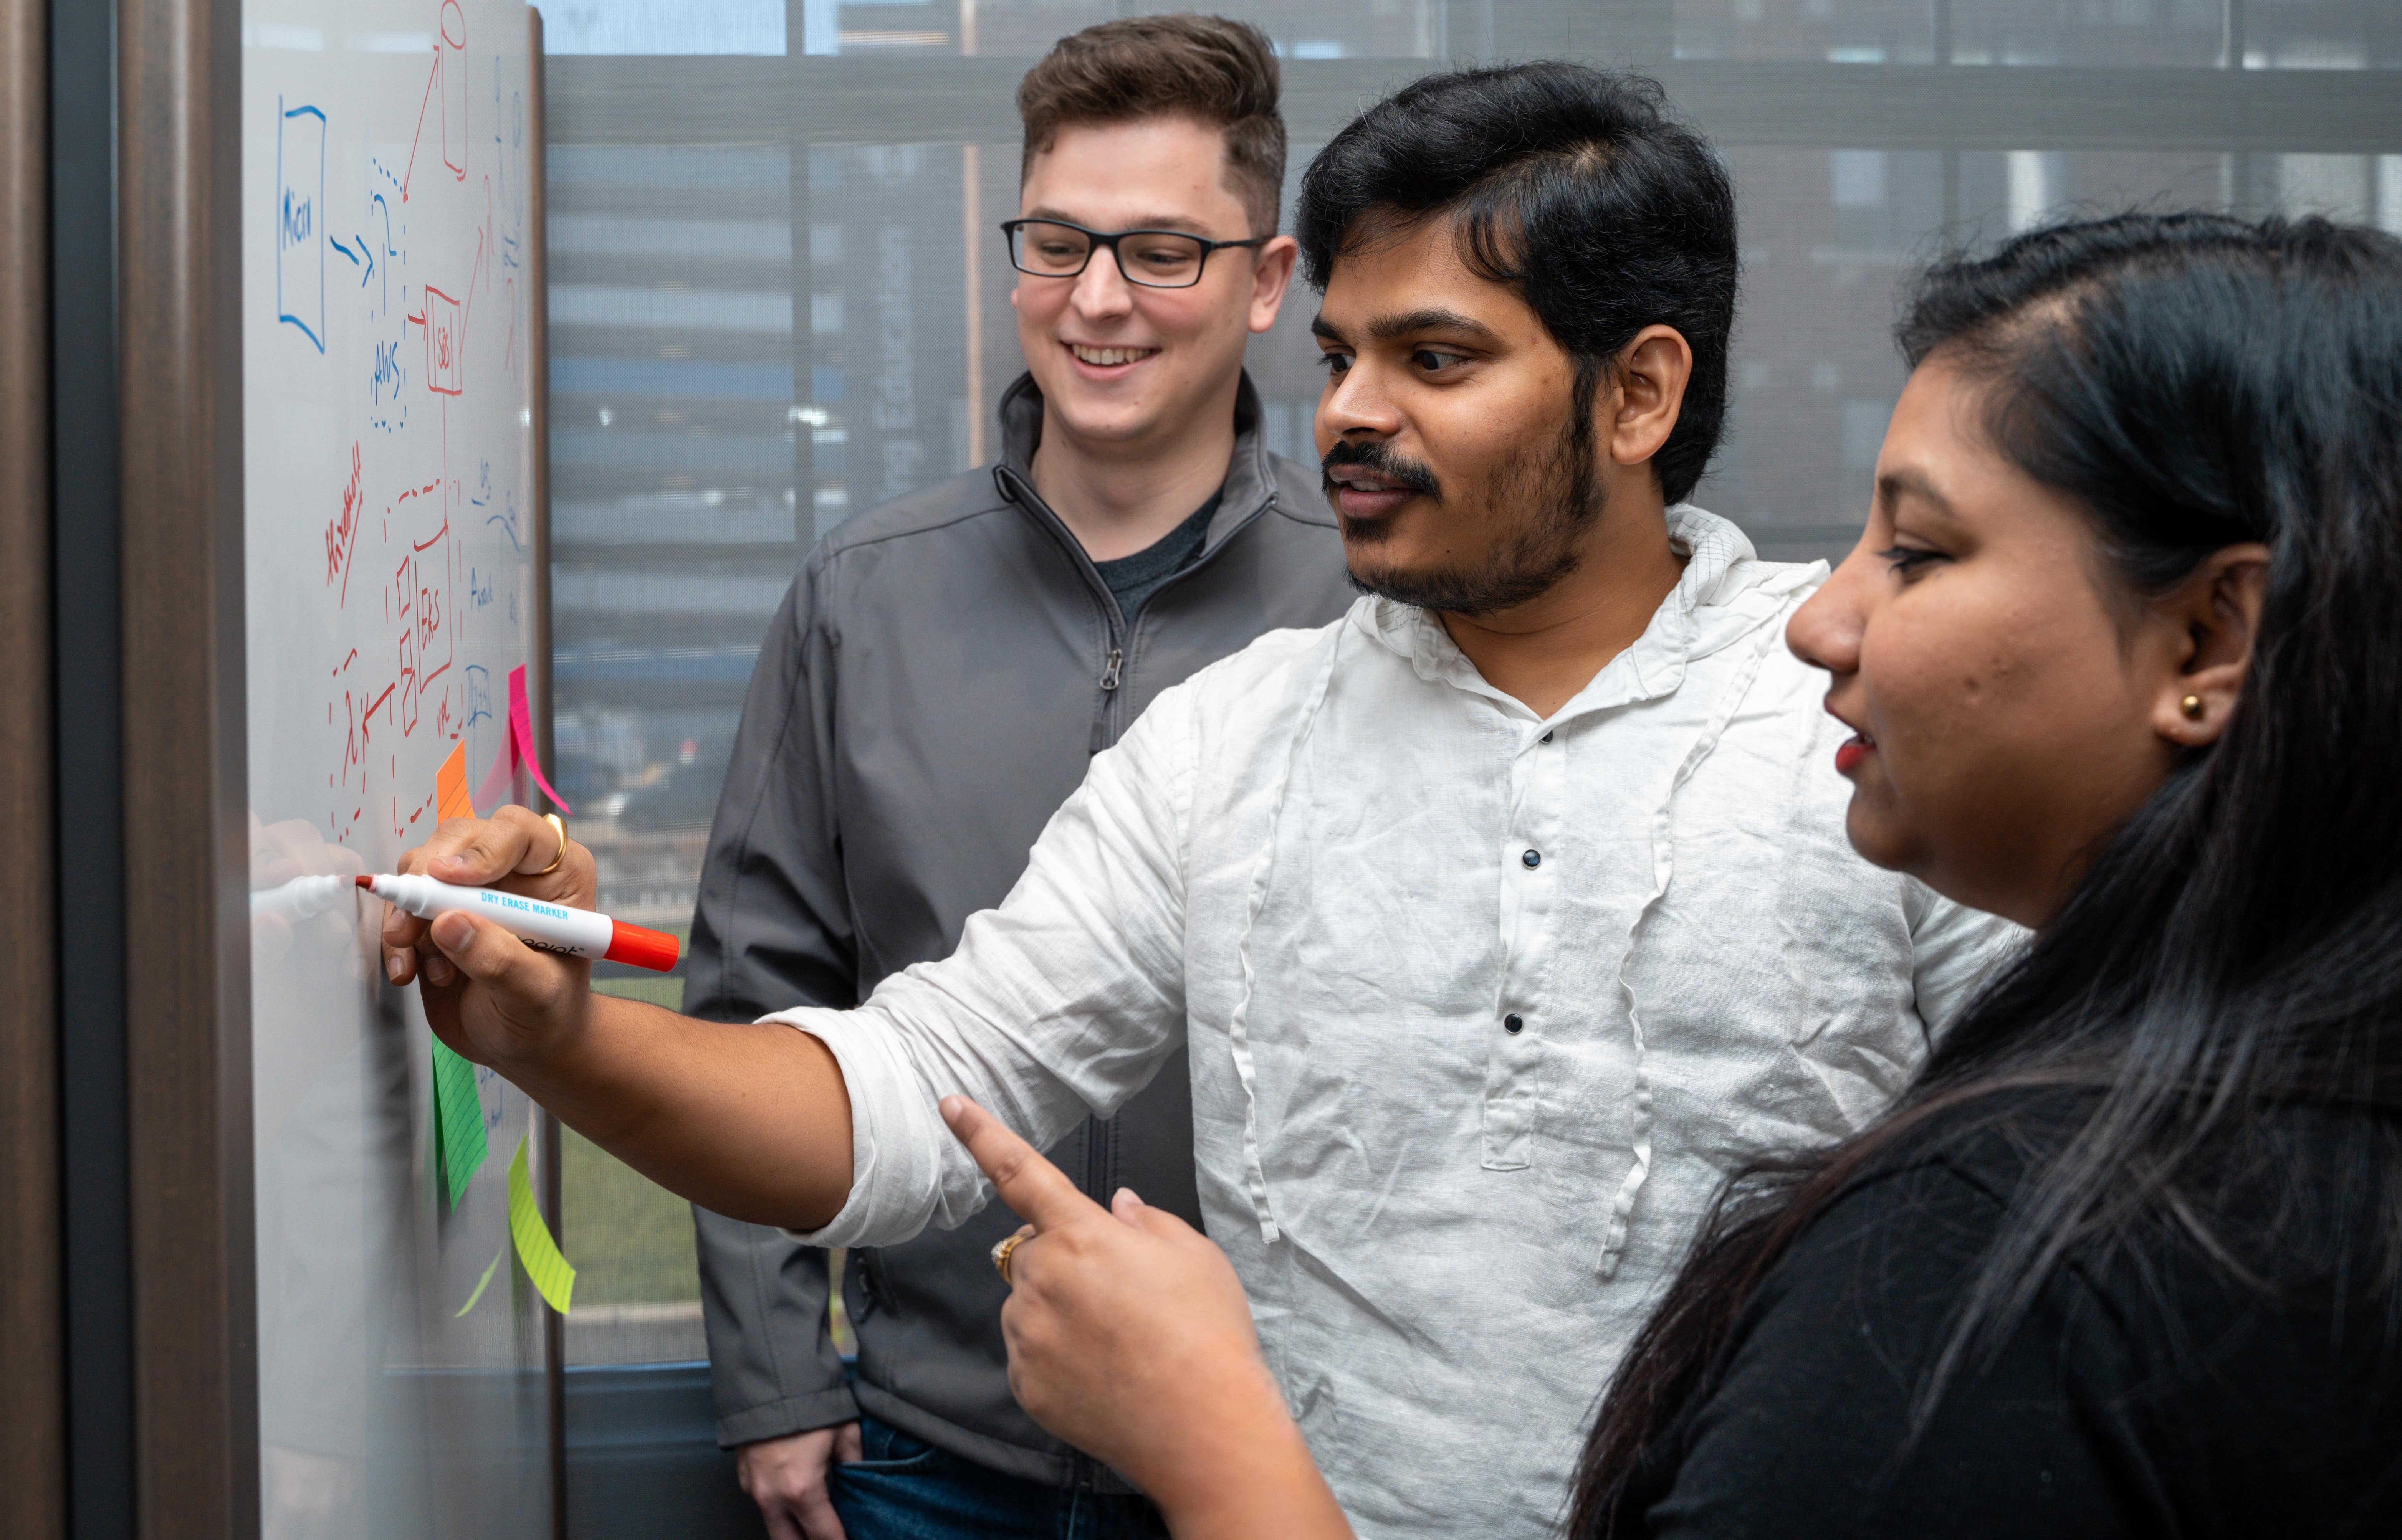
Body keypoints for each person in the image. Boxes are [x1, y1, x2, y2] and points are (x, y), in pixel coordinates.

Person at [374, 63, 2022, 1540]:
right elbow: (915, 1084)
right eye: (1342, 357)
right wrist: (554, 1038)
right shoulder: (1226, 742)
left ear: (1637, 395)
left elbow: (2072, 1210)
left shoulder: (1863, 706)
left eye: (1432, 357)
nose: (1352, 412)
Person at [942, 210, 2402, 1540]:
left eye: (1918, 550)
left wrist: (1209, 1442)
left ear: (2211, 642)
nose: (1823, 621)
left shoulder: (2000, 1266)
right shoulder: (2282, 1136)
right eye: (1337, 356)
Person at [683, 13, 1355, 1540]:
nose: (1099, 299)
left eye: (1162, 252)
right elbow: (753, 1006)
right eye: (1058, 243)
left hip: (1269, 1452)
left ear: (1264, 282)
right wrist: (776, 1377)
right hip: (921, 1455)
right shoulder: (863, 593)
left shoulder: (1373, 610)